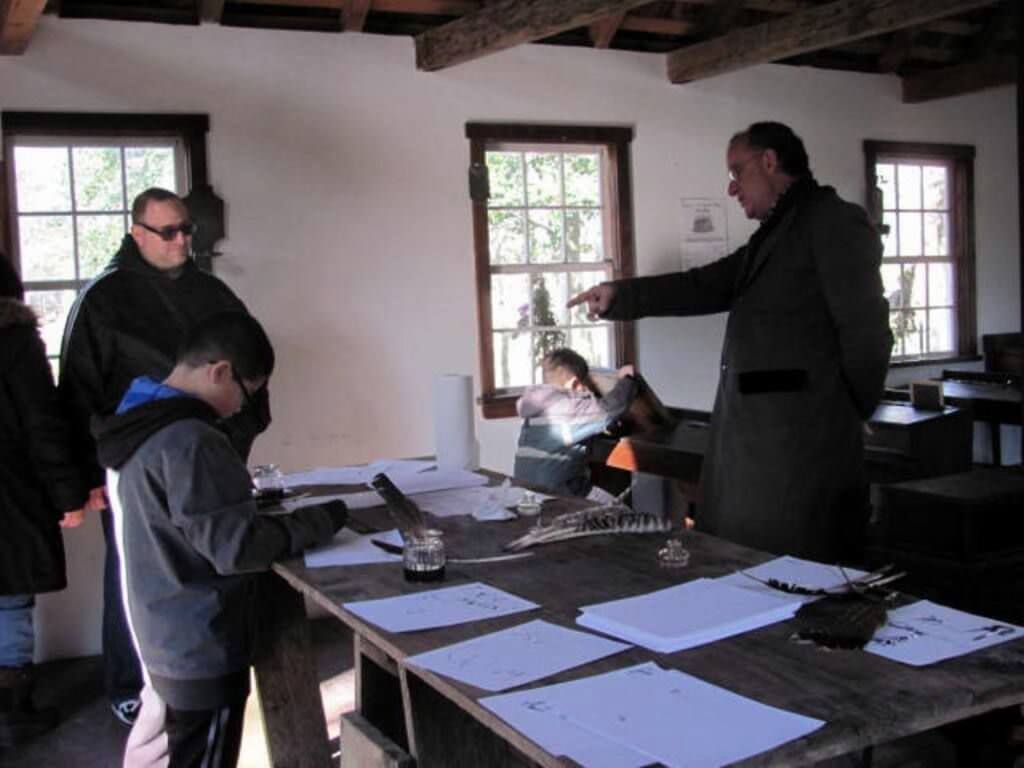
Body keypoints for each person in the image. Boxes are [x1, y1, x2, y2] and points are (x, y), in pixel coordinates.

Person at [568, 122, 892, 563]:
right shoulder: (779, 233)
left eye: (738, 172)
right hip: (760, 442)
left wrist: (847, 409)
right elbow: (704, 285)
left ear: (770, 161)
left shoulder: (832, 221)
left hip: (800, 446)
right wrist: (621, 296)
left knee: (796, 568)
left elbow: (867, 332)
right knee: (744, 561)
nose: (732, 187)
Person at [93, 311, 347, 768]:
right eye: (247, 392)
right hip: (200, 641)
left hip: (161, 627)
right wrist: (322, 520)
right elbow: (237, 548)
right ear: (220, 372)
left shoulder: (138, 417)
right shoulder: (191, 439)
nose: (241, 408)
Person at [59, 187, 268, 725]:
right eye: (167, 232)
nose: (181, 241)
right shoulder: (103, 299)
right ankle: (132, 684)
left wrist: (231, 444)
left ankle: (212, 681)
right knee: (140, 577)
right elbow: (78, 390)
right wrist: (84, 475)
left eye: (186, 230)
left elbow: (247, 369)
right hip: (135, 461)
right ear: (137, 234)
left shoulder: (213, 293)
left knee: (215, 567)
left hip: (209, 456)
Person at [0, 257, 87, 747]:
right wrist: (67, 494)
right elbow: (42, 424)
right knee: (10, 600)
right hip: (10, 493)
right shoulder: (14, 342)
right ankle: (12, 715)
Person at [513, 348, 638, 497]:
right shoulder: (568, 408)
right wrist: (627, 378)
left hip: (525, 491)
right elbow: (611, 408)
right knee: (622, 515)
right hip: (556, 493)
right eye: (585, 387)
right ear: (575, 383)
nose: (586, 392)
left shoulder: (535, 406)